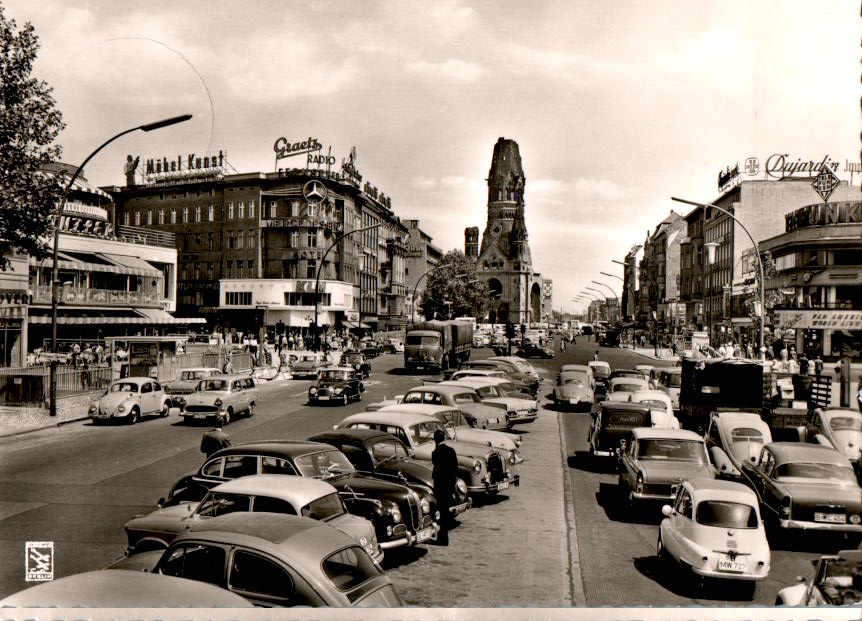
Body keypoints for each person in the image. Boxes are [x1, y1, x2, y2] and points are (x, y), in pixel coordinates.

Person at [431, 429, 458, 546]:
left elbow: (436, 470)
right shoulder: (451, 451)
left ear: (436, 440)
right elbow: (455, 469)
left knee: (441, 512)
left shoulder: (436, 452)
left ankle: (442, 537)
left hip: (440, 487)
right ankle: (444, 536)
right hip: (449, 486)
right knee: (445, 512)